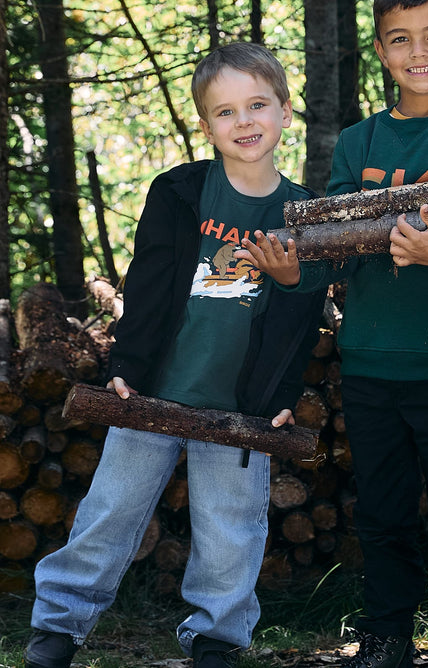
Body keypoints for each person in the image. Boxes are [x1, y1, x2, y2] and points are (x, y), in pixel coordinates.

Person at [240, 0, 428, 668]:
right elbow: (331, 250)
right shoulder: (359, 142)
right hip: (370, 360)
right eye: (401, 39)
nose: (418, 52)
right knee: (383, 509)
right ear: (381, 50)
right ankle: (387, 634)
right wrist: (293, 272)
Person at [25, 42, 326, 668]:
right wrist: (126, 368)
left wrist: (279, 396)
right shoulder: (181, 192)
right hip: (153, 392)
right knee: (111, 511)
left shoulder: (304, 214)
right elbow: (149, 283)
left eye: (257, 105)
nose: (244, 121)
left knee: (231, 528)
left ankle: (218, 637)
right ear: (206, 126)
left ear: (285, 111)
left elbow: (300, 322)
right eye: (225, 111)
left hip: (241, 408)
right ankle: (58, 624)